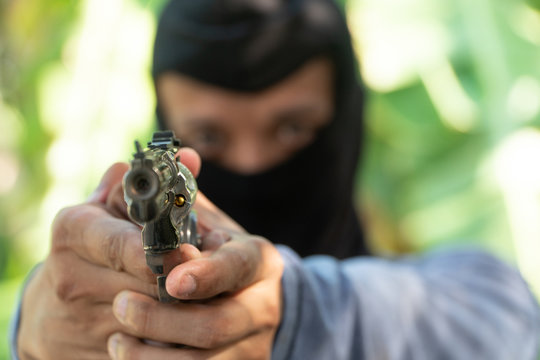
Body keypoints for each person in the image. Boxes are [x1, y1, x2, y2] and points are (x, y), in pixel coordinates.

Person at [10, 0, 540, 359]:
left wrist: (295, 310)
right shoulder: (107, 301)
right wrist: (34, 326)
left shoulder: (464, 296)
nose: (253, 163)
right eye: (210, 138)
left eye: (291, 128)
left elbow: (503, 320)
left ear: (344, 119)